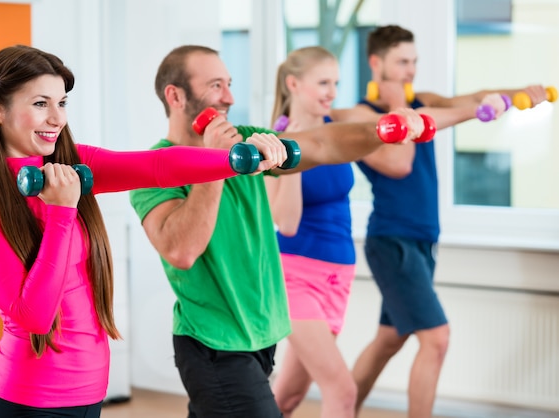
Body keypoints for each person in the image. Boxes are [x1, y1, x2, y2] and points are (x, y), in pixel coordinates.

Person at [0, 44, 277, 418]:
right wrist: (61, 211)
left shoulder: (73, 166)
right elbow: (34, 315)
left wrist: (237, 160)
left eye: (62, 103)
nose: (57, 119)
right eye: (41, 103)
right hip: (27, 402)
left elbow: (157, 166)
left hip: (89, 396)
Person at [128, 44, 427, 418]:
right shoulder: (152, 170)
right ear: (175, 95)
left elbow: (323, 144)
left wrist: (383, 131)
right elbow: (182, 251)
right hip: (212, 344)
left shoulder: (248, 141)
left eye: (230, 84)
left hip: (262, 336)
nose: (229, 97)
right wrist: (214, 164)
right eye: (215, 85)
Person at [329, 25, 547, 418]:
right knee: (437, 339)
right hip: (391, 240)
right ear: (376, 64)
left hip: (423, 240)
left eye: (414, 62)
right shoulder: (361, 115)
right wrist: (399, 107)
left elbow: (476, 99)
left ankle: (341, 410)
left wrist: (520, 93)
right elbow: (399, 163)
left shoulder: (423, 101)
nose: (410, 71)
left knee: (389, 339)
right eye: (401, 62)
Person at [264, 46, 359, 418]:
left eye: (335, 82)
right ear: (294, 83)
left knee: (286, 399)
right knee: (342, 390)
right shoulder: (273, 143)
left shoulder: (334, 131)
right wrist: (294, 154)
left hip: (338, 276)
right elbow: (286, 222)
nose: (332, 91)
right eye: (323, 82)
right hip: (294, 278)